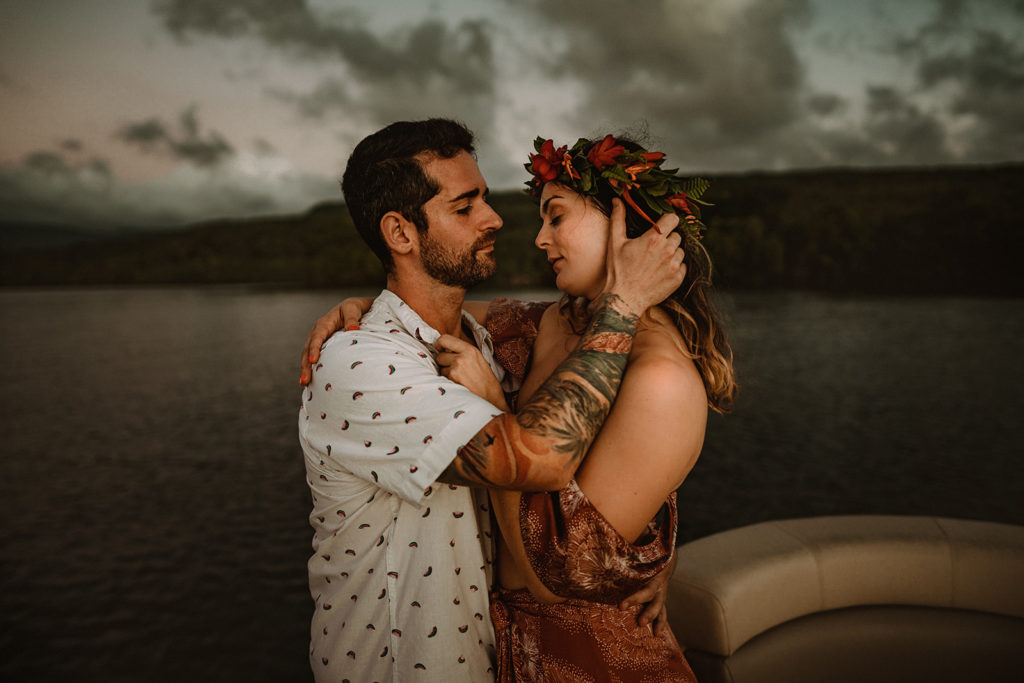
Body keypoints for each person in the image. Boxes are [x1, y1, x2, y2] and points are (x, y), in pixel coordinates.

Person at [303, 132, 737, 680]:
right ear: (400, 232)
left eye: (555, 216)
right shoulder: (370, 361)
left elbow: (586, 506)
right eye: (466, 206)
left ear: (629, 225)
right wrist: (364, 308)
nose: (502, 223)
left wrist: (635, 555)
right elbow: (541, 455)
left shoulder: (511, 344)